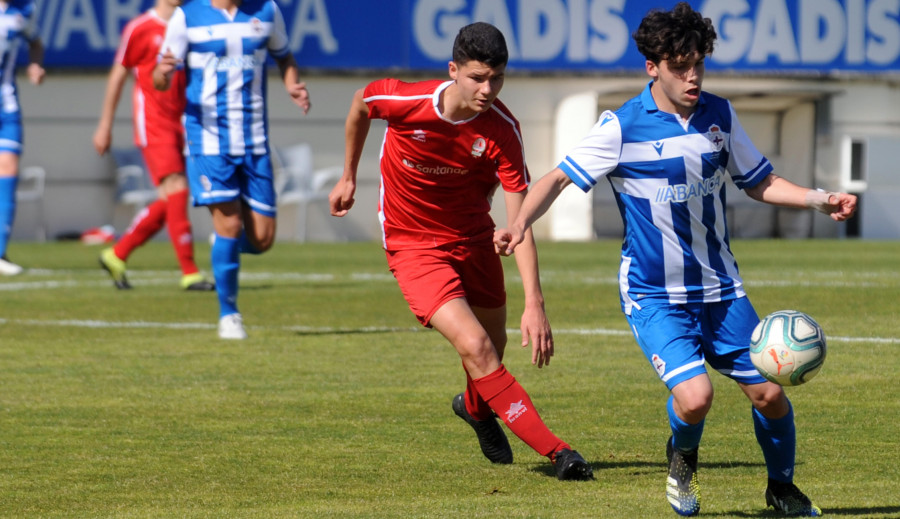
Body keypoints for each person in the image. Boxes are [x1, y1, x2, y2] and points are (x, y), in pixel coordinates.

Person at [496, 3, 856, 515]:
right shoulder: (621, 126)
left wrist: (822, 199)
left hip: (721, 289)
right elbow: (555, 178)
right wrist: (518, 223)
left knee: (771, 397)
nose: (692, 77)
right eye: (679, 66)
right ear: (653, 67)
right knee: (695, 397)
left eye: (699, 65)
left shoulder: (720, 115)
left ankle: (782, 489)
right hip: (653, 292)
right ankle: (683, 462)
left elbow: (760, 183)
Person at [328, 22, 593, 481]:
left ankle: (473, 408)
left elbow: (521, 222)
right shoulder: (403, 101)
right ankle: (559, 453)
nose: (487, 89)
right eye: (476, 78)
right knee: (475, 346)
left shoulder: (502, 130)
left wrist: (535, 302)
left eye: (497, 78)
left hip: (474, 238)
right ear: (453, 71)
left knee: (494, 346)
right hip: (413, 245)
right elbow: (360, 105)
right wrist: (348, 174)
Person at [153, 0, 310, 339]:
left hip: (254, 141)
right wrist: (163, 74)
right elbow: (158, 77)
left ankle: (222, 244)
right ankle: (229, 315)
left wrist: (292, 84)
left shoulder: (266, 10)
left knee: (263, 238)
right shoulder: (187, 16)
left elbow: (284, 55)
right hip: (207, 141)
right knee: (230, 222)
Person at [93, 0, 214, 292]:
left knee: (170, 199)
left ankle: (117, 253)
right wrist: (105, 125)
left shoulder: (193, 24)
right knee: (177, 188)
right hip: (153, 123)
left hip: (185, 122)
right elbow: (118, 76)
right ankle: (190, 272)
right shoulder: (140, 28)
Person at [0, 0, 44, 276]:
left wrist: (35, 66)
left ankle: (0, 252)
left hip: (6, 106)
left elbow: (35, 42)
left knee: (9, 170)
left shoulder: (24, 11)